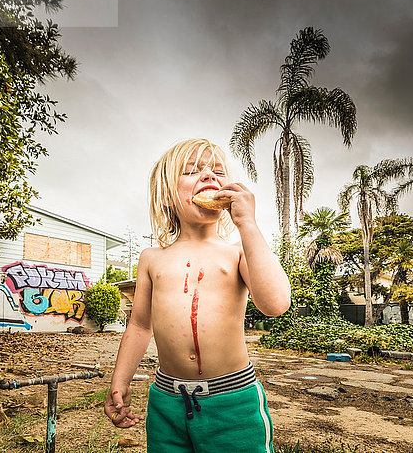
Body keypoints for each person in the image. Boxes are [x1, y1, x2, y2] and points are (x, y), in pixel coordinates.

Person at [104, 138, 291, 453]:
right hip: (167, 403)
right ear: (166, 196)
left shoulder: (238, 252)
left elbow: (275, 304)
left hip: (232, 402)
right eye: (193, 171)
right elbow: (139, 326)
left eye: (217, 172)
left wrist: (247, 223)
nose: (209, 177)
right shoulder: (152, 258)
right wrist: (119, 381)